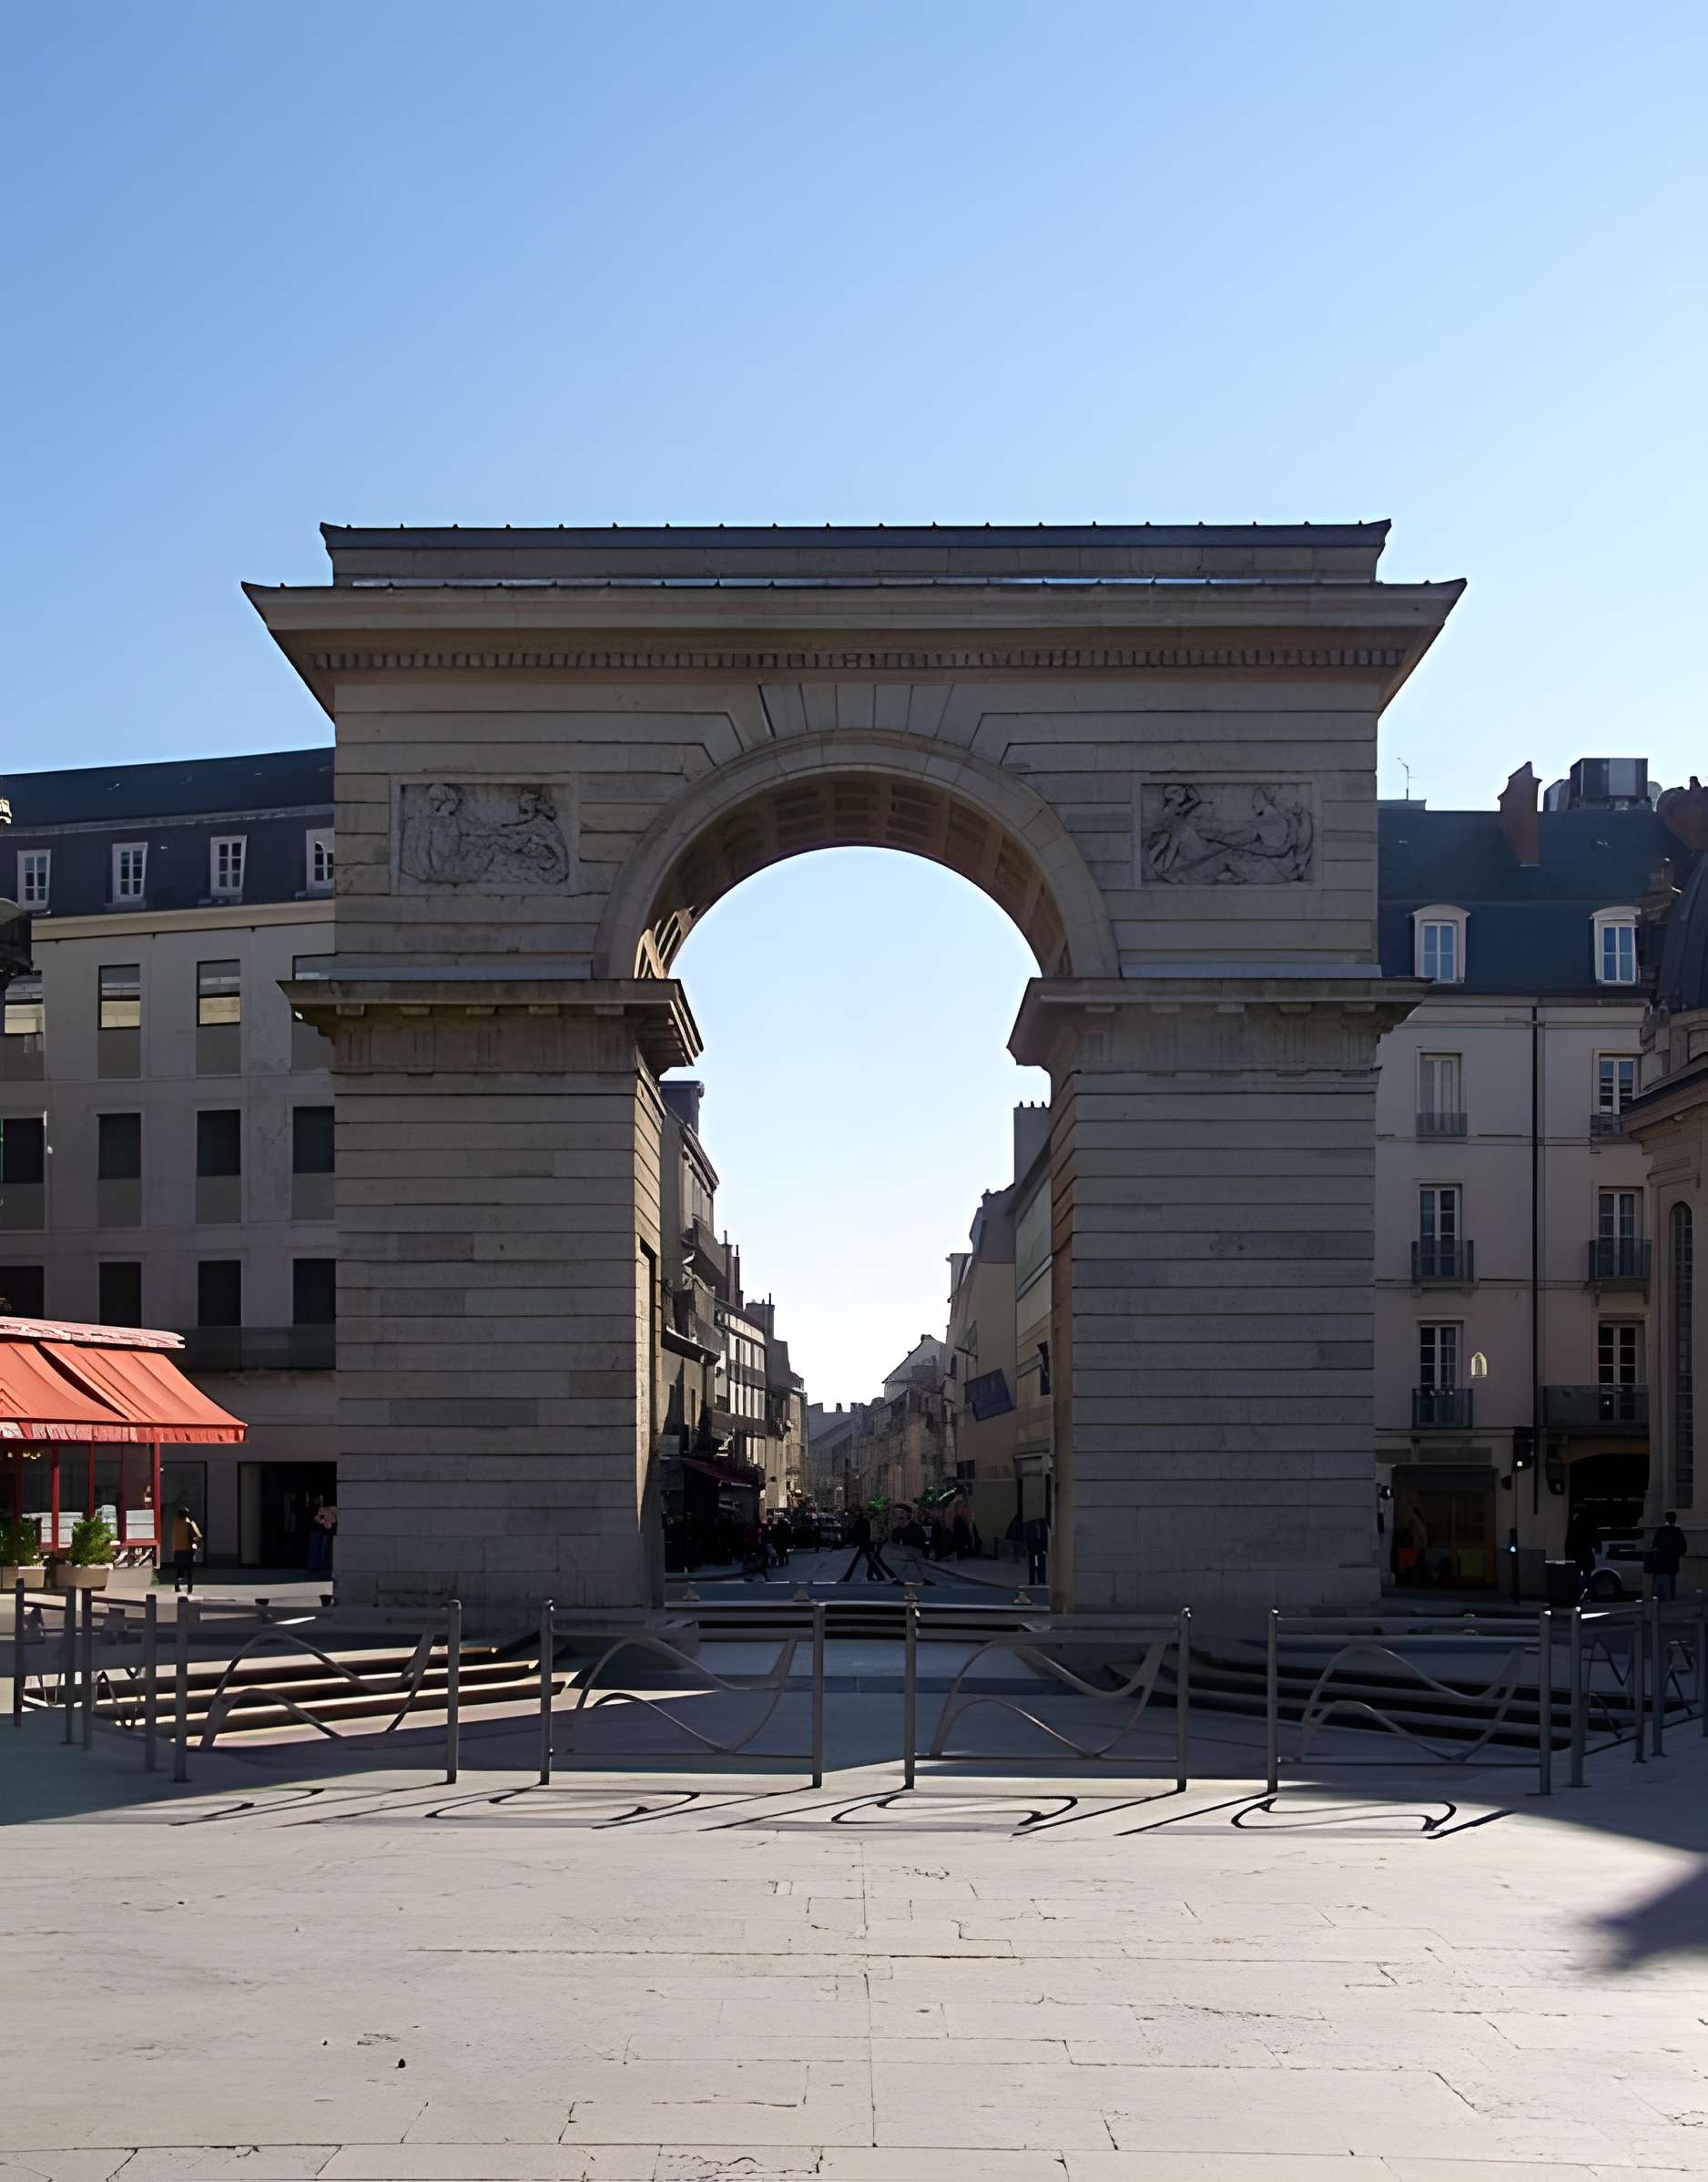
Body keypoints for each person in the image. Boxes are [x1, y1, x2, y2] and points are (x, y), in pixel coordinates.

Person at [839, 1508, 895, 1585]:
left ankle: (886, 1576)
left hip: (867, 1544)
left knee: (872, 1561)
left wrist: (855, 1543)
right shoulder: (867, 1521)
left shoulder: (865, 1521)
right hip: (867, 1544)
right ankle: (880, 1576)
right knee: (870, 1561)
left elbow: (860, 1533)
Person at [1650, 1510, 1689, 1603]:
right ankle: (1671, 1598)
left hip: (1661, 1560)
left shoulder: (1661, 1530)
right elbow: (1683, 1545)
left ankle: (1659, 1598)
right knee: (1671, 1580)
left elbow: (1654, 1545)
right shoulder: (1677, 1530)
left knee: (1659, 1581)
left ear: (1666, 1519)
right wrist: (1677, 1554)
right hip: (1672, 1560)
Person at [1563, 1505, 1600, 1597]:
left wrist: (1567, 1552)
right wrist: (1597, 1547)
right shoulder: (1589, 1522)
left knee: (1575, 1574)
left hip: (1575, 1552)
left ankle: (1576, 1593)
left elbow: (1570, 1538)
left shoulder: (1574, 1522)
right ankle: (1590, 1592)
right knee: (1589, 1574)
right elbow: (1594, 1536)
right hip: (1586, 1552)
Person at [170, 1503, 202, 1595]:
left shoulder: (175, 1524)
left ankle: (177, 1587)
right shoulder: (189, 1524)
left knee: (178, 1569)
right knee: (189, 1570)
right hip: (187, 1550)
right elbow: (198, 1536)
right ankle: (189, 1589)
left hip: (177, 1550)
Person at [1023, 1513, 1050, 1587]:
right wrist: (1029, 1546)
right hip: (1033, 1547)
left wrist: (1045, 1548)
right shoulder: (1029, 1524)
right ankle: (1032, 1581)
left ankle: (1041, 1580)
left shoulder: (1043, 1524)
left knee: (1041, 1565)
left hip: (1041, 1547)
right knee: (1034, 1565)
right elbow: (1027, 1536)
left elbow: (1045, 1536)